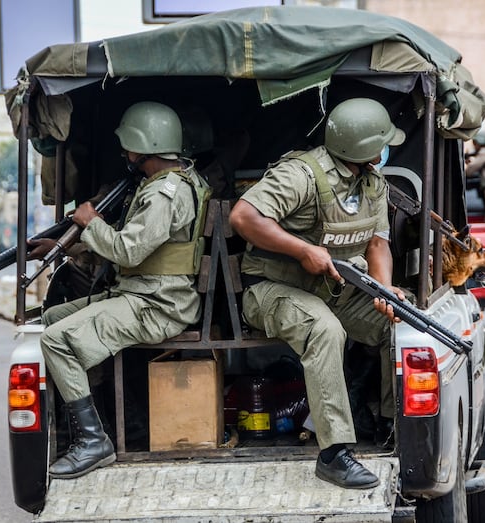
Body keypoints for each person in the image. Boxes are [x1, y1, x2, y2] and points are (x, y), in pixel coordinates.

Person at [229, 97, 405, 490]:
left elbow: (377, 244)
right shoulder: (301, 175)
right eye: (381, 142)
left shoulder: (372, 182)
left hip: (333, 290)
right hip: (271, 291)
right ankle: (334, 454)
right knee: (325, 330)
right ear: (360, 148)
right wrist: (301, 249)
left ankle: (395, 426)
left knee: (399, 323)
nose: (385, 148)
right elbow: (243, 216)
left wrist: (383, 290)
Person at [34, 101, 210, 479]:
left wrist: (91, 221)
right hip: (144, 294)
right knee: (52, 318)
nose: (125, 151)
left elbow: (128, 249)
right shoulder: (175, 181)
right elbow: (134, 248)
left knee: (55, 341)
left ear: (142, 145)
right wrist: (65, 246)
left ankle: (94, 440)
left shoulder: (164, 193)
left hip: (158, 305)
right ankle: (114, 420)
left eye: (128, 144)